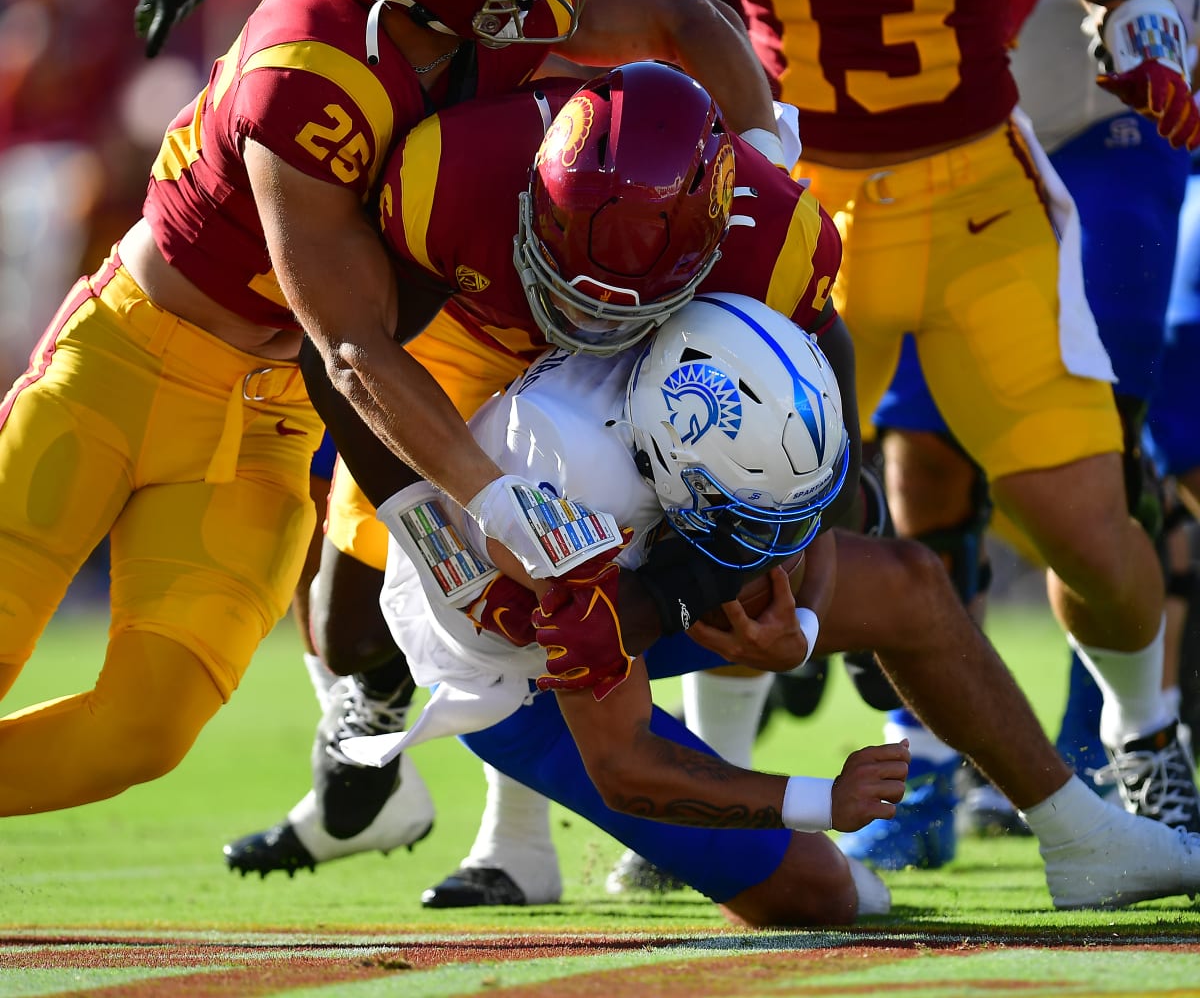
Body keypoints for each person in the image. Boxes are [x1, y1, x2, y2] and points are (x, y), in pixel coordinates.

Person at [0, 0, 785, 816]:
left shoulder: (482, 2)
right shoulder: (311, 73)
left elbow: (683, 20)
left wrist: (771, 156)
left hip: (270, 408)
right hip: (127, 365)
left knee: (145, 731)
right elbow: (354, 345)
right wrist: (492, 497)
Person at [616, 0, 1200, 871]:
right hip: (797, 204)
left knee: (1084, 524)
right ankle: (715, 790)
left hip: (978, 196)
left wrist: (1141, 24)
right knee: (746, 506)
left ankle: (1141, 734)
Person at [331, 289, 1200, 918]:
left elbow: (818, 494)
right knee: (833, 895)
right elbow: (626, 762)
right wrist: (817, 798)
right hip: (527, 665)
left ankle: (1084, 838)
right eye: (747, 517)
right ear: (675, 479)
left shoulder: (725, 316)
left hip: (629, 550)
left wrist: (806, 621)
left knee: (906, 582)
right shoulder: (567, 518)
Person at [220, 58, 844, 900]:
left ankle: (533, 836)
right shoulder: (454, 171)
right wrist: (453, 540)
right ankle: (510, 828)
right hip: (479, 323)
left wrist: (687, 597)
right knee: (357, 632)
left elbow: (824, 420)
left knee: (761, 523)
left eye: (614, 293)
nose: (588, 312)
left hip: (654, 370)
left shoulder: (774, 236)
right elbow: (341, 357)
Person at [826, 0, 1200, 865]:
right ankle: (927, 758)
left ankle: (1139, 735)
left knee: (1093, 472)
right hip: (920, 155)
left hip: (1097, 127)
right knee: (923, 472)